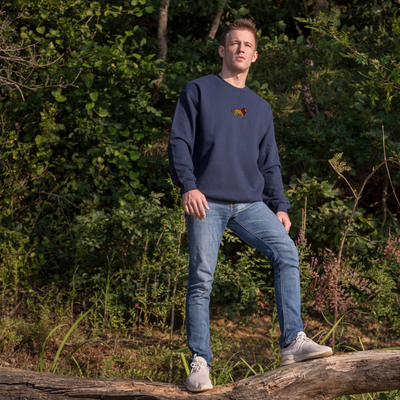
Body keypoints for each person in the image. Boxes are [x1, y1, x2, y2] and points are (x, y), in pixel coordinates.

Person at [168, 19, 333, 393]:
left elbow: (269, 162)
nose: (240, 49)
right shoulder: (198, 91)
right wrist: (188, 186)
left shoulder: (260, 108)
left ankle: (292, 341)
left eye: (247, 45)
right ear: (223, 50)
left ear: (255, 56)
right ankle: (200, 362)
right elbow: (179, 141)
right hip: (206, 201)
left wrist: (280, 205)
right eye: (234, 43)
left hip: (250, 203)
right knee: (201, 279)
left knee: (287, 253)